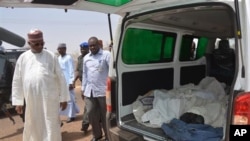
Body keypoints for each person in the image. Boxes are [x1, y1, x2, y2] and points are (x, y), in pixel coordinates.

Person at [11, 29, 70, 141]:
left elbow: (61, 78)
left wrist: (64, 98)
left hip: (49, 99)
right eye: (36, 44)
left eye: (42, 43)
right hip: (31, 100)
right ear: (29, 44)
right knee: (33, 125)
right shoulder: (23, 58)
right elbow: (17, 81)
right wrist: (18, 102)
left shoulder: (51, 56)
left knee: (50, 124)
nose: (40, 46)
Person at [82, 36, 110, 141]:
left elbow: (112, 72)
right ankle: (97, 135)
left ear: (98, 44)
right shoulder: (86, 58)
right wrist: (83, 89)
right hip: (90, 91)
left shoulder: (106, 55)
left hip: (103, 91)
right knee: (91, 113)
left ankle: (108, 136)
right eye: (90, 46)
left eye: (94, 45)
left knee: (104, 115)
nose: (92, 47)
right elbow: (85, 74)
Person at [57, 43, 80, 123]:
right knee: (66, 99)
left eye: (61, 49)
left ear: (65, 49)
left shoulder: (68, 58)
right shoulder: (58, 58)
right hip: (62, 82)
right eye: (58, 49)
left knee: (70, 99)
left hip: (68, 82)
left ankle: (71, 116)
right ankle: (73, 113)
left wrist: (71, 82)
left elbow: (71, 70)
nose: (59, 50)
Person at [73, 41, 90, 132]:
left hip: (91, 85)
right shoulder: (79, 58)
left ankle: (85, 124)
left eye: (84, 48)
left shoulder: (91, 57)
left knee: (88, 105)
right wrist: (74, 80)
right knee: (89, 104)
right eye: (81, 48)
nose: (82, 49)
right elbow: (77, 71)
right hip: (84, 84)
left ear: (88, 48)